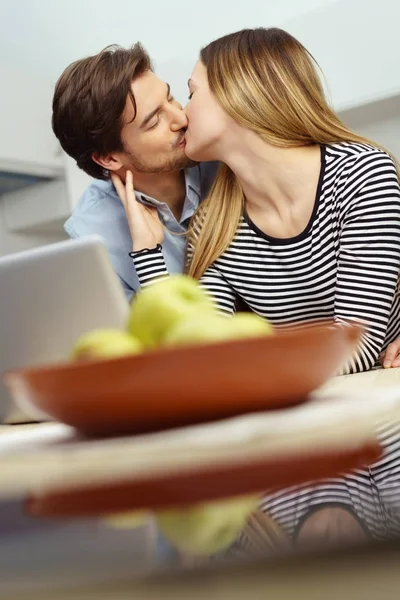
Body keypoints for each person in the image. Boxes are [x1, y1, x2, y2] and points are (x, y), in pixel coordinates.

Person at [112, 27, 400, 544]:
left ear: (240, 95)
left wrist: (248, 369)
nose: (182, 114)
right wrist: (146, 251)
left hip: (380, 432)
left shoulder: (361, 174)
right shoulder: (216, 223)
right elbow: (195, 366)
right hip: (299, 442)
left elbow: (356, 344)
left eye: (192, 91)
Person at [52, 43, 218, 303]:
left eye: (171, 97)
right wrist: (145, 253)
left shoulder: (220, 156)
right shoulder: (92, 236)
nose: (181, 118)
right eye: (154, 121)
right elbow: (152, 338)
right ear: (109, 158)